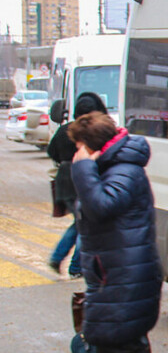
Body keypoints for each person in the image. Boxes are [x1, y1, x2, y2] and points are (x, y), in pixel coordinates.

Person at [69, 112, 168, 353]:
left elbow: (101, 206)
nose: (75, 153)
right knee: (108, 341)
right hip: (114, 271)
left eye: (78, 146)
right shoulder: (111, 167)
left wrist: (82, 169)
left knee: (120, 345)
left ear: (91, 146)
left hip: (126, 274)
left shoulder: (125, 171)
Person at [47, 92, 108, 277]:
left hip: (63, 179)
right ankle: (76, 267)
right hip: (79, 178)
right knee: (85, 222)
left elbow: (51, 151)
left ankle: (58, 258)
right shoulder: (89, 132)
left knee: (79, 222)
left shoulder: (64, 129)